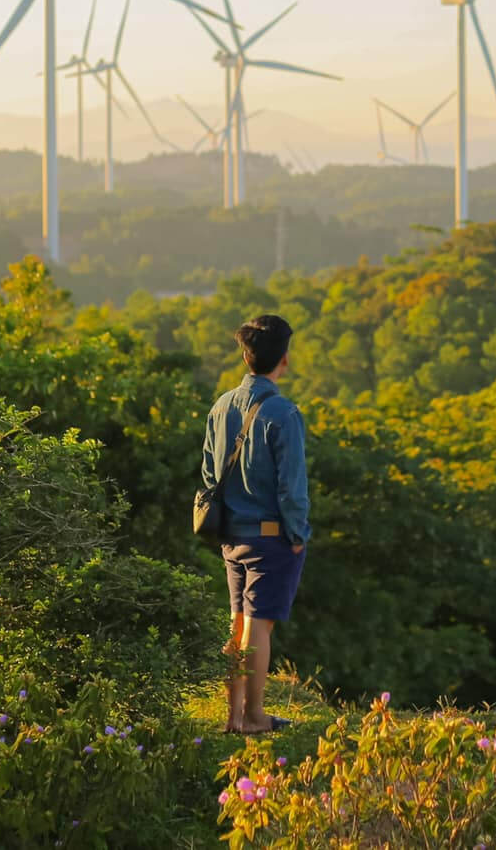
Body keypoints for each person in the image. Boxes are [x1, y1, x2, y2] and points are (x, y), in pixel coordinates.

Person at [201, 313, 310, 735]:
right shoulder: (283, 412)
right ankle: (255, 716)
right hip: (271, 538)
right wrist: (297, 535)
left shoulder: (221, 406)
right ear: (283, 358)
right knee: (258, 627)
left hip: (232, 536)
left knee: (238, 623)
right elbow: (292, 488)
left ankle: (233, 717)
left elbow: (210, 477)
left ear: (246, 356)